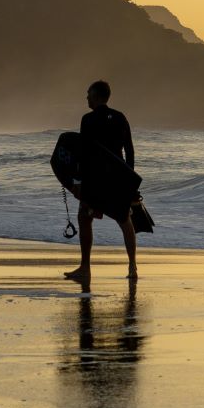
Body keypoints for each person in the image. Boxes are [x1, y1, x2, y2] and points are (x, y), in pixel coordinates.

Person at [65, 80, 138, 287]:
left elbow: (83, 153)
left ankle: (85, 268)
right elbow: (130, 151)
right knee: (125, 221)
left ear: (96, 96)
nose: (86, 97)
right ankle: (132, 266)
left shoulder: (87, 119)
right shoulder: (121, 117)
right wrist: (129, 181)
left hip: (94, 180)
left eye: (88, 94)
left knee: (84, 218)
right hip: (117, 179)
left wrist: (77, 181)